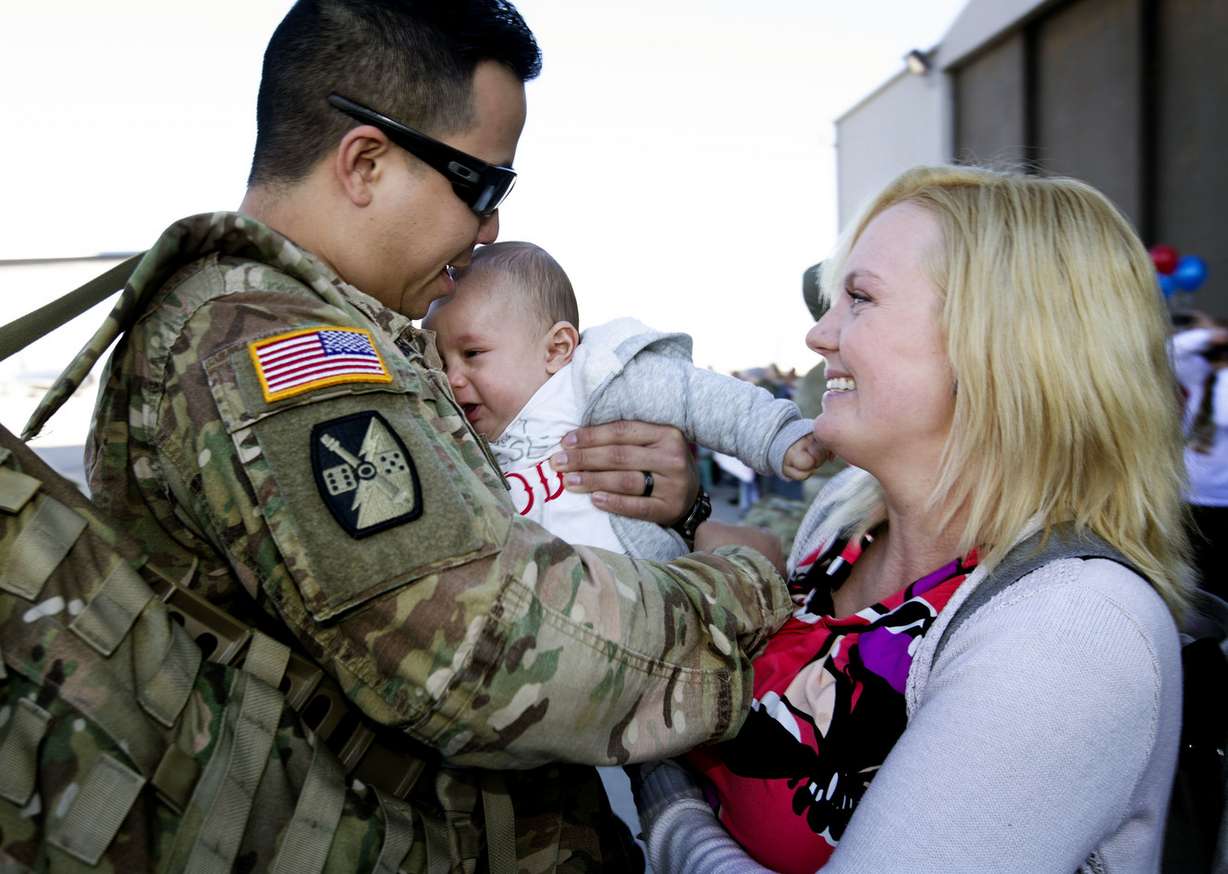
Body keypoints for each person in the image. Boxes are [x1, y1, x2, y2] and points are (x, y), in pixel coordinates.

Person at [18, 1, 795, 869]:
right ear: (366, 162)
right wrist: (746, 583)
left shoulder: (345, 332)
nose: (491, 227)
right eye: (483, 184)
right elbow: (488, 653)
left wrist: (655, 512)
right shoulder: (271, 349)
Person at [637, 165, 1190, 872]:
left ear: (999, 342)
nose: (818, 336)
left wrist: (666, 802)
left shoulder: (1070, 630)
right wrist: (680, 515)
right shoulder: (847, 521)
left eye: (859, 299)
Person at [422, 240, 824, 559]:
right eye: (440, 360)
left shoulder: (595, 382)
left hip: (646, 590)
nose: (451, 377)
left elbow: (696, 395)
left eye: (472, 354)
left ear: (556, 349)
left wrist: (777, 434)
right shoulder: (456, 431)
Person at [1172, 313, 1228, 600]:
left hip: (1222, 497)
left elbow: (1222, 412)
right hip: (1192, 493)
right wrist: (1209, 335)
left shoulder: (1215, 383)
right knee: (1192, 571)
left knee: (1218, 574)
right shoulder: (1200, 377)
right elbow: (1173, 349)